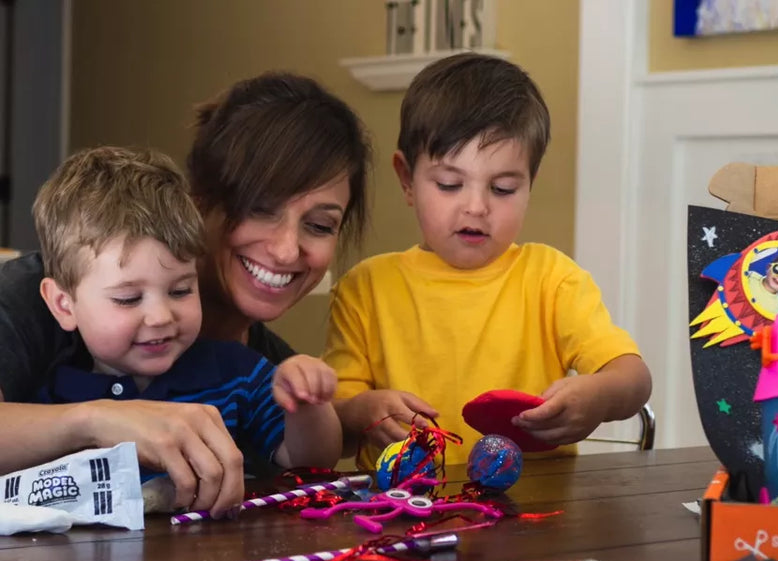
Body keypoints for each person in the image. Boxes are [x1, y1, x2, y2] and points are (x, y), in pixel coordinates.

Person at [0, 72, 370, 516]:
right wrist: (95, 420)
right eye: (259, 208)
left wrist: (337, 412)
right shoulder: (31, 303)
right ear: (199, 203)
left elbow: (311, 457)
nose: (287, 249)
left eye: (320, 225)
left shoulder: (254, 369)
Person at [324, 53, 652, 470]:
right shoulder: (365, 289)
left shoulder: (551, 279)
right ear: (406, 179)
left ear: (530, 184)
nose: (476, 207)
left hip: (534, 513)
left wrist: (598, 397)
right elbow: (333, 427)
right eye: (449, 184)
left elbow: (634, 378)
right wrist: (364, 411)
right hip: (402, 514)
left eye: (502, 188)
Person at [31, 146, 341, 483]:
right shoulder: (55, 400)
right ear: (64, 304)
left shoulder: (238, 372)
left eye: (180, 290)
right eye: (129, 298)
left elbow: (311, 461)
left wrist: (308, 405)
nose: (161, 316)